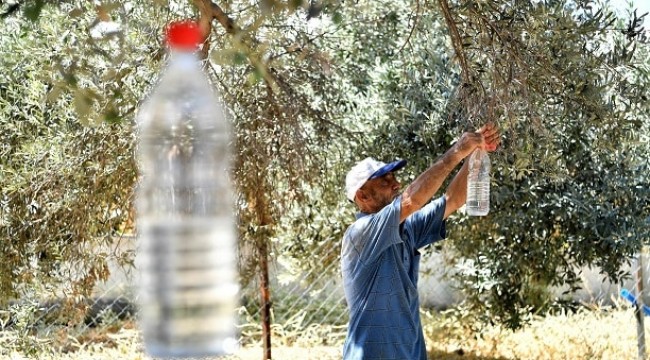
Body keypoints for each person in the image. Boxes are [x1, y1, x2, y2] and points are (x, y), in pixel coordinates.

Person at [341, 124, 500, 360]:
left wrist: (476, 153)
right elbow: (411, 201)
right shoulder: (361, 233)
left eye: (394, 177)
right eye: (384, 181)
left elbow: (453, 199)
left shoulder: (406, 229)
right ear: (362, 197)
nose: (395, 184)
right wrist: (457, 151)